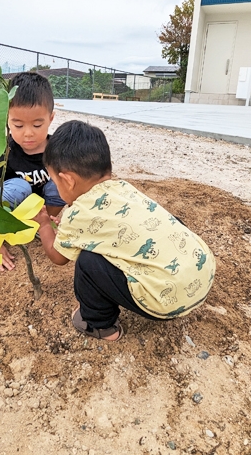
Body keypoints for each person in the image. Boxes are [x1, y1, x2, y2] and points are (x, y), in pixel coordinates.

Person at [33, 120, 216, 341]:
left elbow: (58, 257)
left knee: (88, 262)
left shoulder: (77, 213)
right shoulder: (124, 188)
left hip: (166, 302)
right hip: (203, 273)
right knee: (163, 223)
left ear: (67, 180)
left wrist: (44, 225)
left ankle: (98, 324)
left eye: (54, 181)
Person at [0, 71, 66, 269]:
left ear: (51, 118)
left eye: (38, 124)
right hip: (16, 209)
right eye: (18, 125)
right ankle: (7, 231)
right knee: (16, 187)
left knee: (62, 180)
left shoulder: (59, 151)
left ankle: (42, 225)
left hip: (44, 208)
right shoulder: (2, 151)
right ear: (7, 119)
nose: (28, 133)